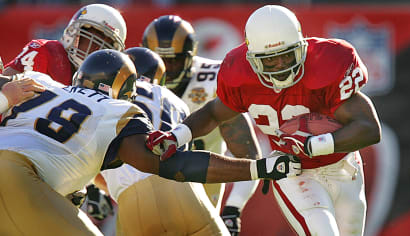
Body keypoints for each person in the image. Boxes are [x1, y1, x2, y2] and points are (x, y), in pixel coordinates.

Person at [0, 49, 301, 236]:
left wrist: (5, 95)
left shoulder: (40, 82)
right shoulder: (116, 110)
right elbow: (171, 164)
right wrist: (257, 167)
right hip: (19, 177)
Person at [146, 5, 382, 236]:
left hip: (343, 165)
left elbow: (369, 128)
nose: (281, 66)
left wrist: (314, 144)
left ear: (301, 46)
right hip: (293, 169)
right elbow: (214, 113)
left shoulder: (328, 61)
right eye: (270, 60)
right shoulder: (239, 73)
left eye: (287, 55)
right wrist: (177, 136)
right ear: (253, 59)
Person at [95, 46, 230, 235]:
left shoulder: (106, 102)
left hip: (134, 200)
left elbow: (91, 164)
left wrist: (101, 188)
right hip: (186, 190)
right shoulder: (176, 101)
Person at [142, 15, 261, 221]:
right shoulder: (133, 80)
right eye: (160, 60)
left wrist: (233, 209)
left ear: (190, 57)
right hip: (148, 187)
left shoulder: (214, 79)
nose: (166, 69)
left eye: (173, 61)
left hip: (203, 189)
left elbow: (248, 156)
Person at [2, 3, 127, 86]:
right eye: (92, 40)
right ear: (74, 34)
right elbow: (5, 87)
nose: (96, 49)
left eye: (105, 47)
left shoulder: (108, 82)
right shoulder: (47, 52)